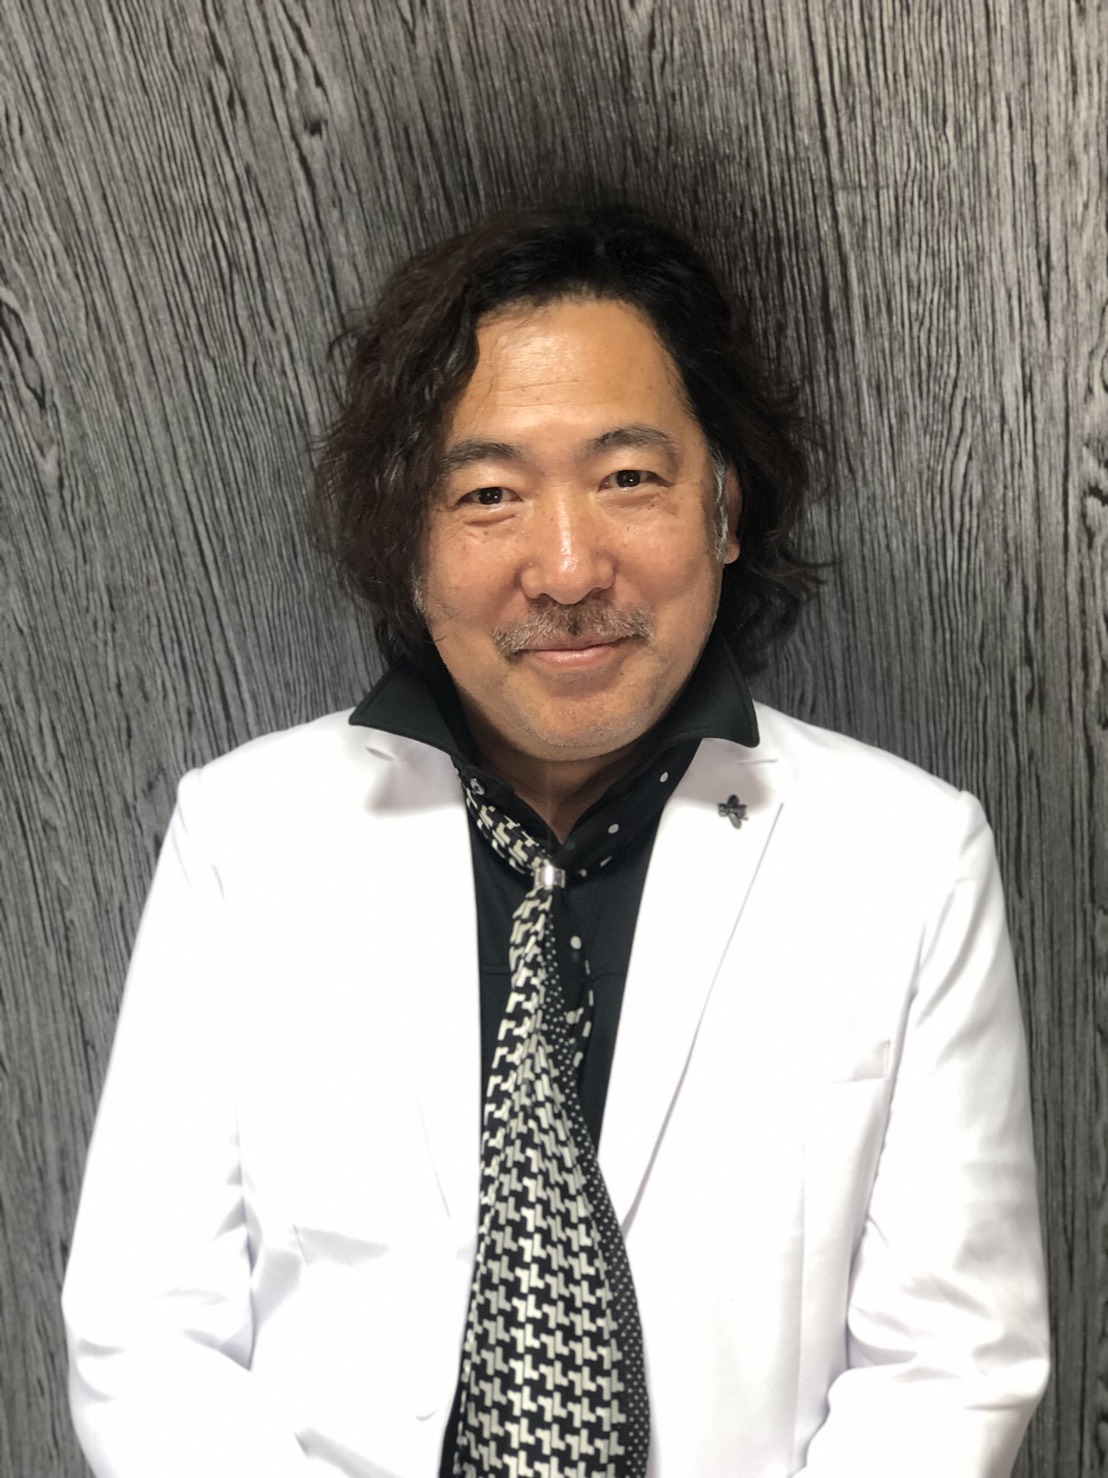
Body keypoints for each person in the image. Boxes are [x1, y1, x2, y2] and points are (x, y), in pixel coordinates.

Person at [62, 204, 1050, 1478]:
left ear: (725, 506)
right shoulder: (244, 836)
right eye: (488, 493)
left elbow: (951, 1364)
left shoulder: (908, 858)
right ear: (409, 540)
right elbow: (145, 1335)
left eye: (628, 477)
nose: (569, 568)